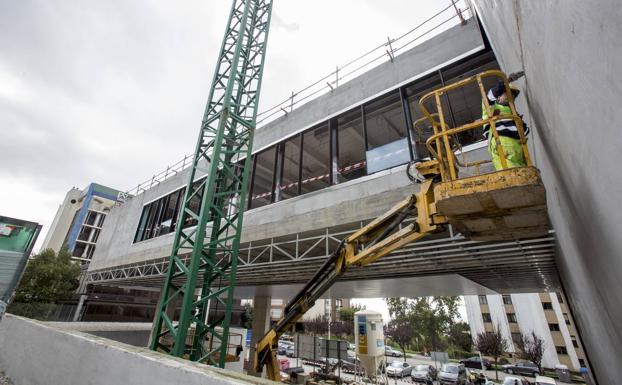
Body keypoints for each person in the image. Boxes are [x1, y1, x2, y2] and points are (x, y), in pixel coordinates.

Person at [482, 75, 529, 170]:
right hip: (501, 145)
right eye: (507, 92)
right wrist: (505, 82)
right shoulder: (492, 108)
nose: (511, 96)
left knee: (525, 175)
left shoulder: (514, 114)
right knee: (511, 175)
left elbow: (525, 132)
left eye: (513, 95)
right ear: (498, 97)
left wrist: (520, 122)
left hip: (517, 149)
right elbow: (489, 97)